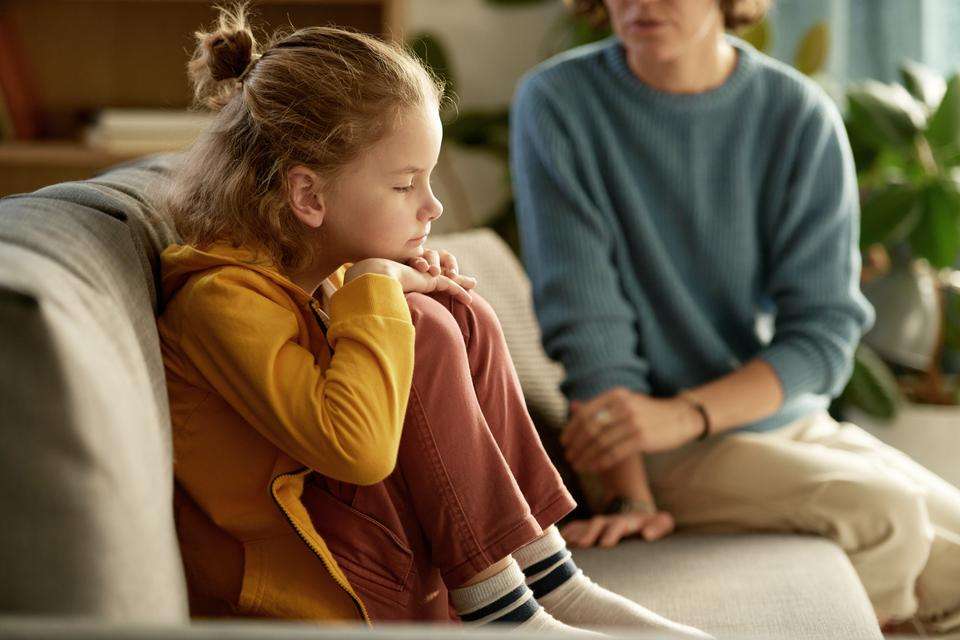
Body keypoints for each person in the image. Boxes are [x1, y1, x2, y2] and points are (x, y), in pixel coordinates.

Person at [156, 4, 710, 636]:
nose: (433, 204)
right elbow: (356, 452)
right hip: (316, 594)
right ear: (308, 197)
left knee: (451, 313)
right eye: (405, 184)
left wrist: (388, 289)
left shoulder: (310, 272)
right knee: (418, 323)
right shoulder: (220, 301)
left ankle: (545, 574)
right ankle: (500, 608)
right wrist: (377, 288)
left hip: (367, 555)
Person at [511, 0, 960, 633]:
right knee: (884, 516)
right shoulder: (559, 102)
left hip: (771, 419)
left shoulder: (797, 114)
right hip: (650, 445)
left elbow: (824, 334)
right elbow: (591, 331)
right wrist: (631, 494)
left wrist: (689, 412)